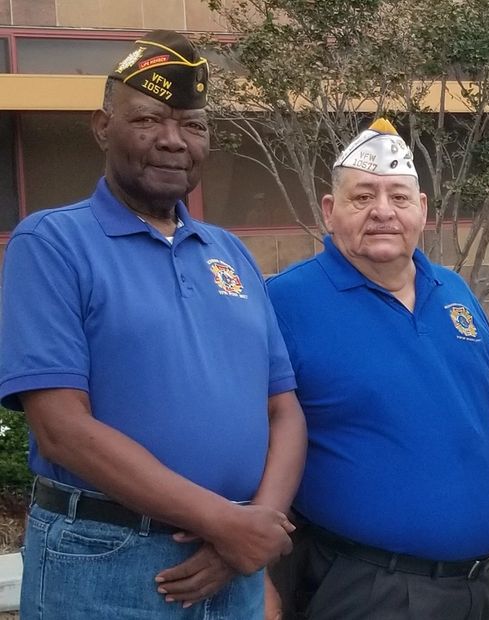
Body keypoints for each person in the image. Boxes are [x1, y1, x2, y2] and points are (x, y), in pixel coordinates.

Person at [0, 30, 306, 618]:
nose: (173, 140)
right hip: (105, 559)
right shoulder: (52, 243)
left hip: (233, 561)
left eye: (193, 125)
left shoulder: (229, 253)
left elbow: (283, 408)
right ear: (102, 127)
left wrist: (250, 533)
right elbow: (63, 428)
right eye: (149, 120)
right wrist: (226, 524)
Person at [265, 119, 489, 619]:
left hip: (474, 587)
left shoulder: (455, 292)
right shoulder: (285, 303)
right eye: (363, 197)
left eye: (399, 197)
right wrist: (259, 580)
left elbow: (477, 419)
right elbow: (253, 443)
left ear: (422, 209)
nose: (383, 211)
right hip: (366, 589)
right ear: (329, 209)